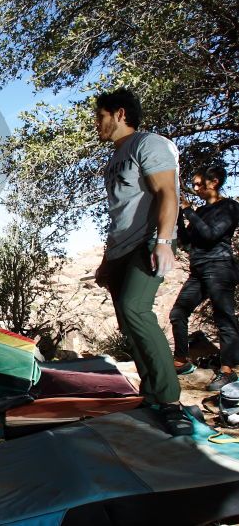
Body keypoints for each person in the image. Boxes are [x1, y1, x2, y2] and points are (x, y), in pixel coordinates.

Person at [92, 88, 193, 436]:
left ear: (120, 114)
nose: (96, 124)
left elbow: (168, 192)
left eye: (100, 116)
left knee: (137, 309)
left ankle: (170, 402)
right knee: (128, 324)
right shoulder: (114, 159)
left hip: (149, 242)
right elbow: (119, 213)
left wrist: (164, 241)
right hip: (120, 249)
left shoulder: (148, 144)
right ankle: (151, 394)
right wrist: (107, 260)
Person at [169, 167, 239, 390]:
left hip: (219, 267)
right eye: (194, 184)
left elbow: (211, 235)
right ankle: (181, 360)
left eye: (199, 184)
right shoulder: (199, 211)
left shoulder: (229, 207)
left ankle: (228, 371)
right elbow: (187, 242)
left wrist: (188, 211)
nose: (196, 188)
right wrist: (179, 216)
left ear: (214, 182)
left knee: (224, 318)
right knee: (178, 313)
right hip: (198, 271)